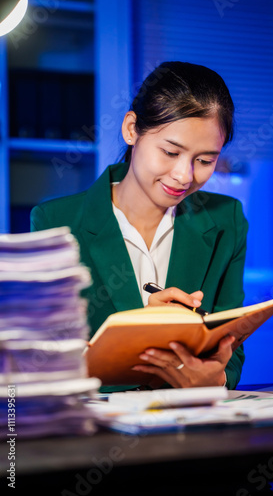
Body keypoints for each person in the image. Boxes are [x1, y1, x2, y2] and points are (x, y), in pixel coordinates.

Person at [30, 61, 248, 392]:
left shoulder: (227, 220)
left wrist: (215, 378)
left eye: (205, 160)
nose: (184, 175)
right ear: (132, 129)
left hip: (190, 430)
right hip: (96, 434)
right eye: (171, 152)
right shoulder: (55, 224)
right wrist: (138, 330)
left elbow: (230, 350)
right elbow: (39, 364)